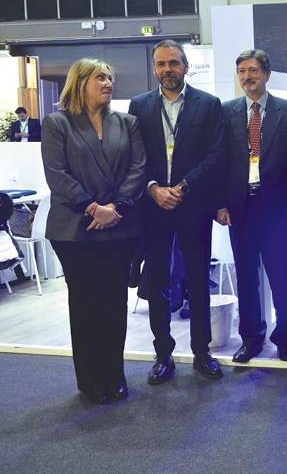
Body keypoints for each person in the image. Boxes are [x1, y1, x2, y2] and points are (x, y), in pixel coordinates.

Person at [42, 59, 146, 403]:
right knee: (86, 304)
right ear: (81, 82)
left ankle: (113, 375)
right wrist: (92, 208)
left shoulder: (127, 123)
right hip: (75, 231)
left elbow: (138, 168)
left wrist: (114, 208)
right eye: (100, 77)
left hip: (119, 227)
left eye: (110, 77)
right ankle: (90, 379)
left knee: (114, 303)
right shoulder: (58, 124)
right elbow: (57, 175)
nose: (108, 82)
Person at [129, 39, 227, 384]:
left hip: (193, 204)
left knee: (198, 280)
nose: (167, 70)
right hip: (153, 207)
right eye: (161, 64)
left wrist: (182, 187)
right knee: (157, 282)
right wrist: (154, 188)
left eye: (173, 63)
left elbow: (216, 155)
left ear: (186, 66)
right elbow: (133, 158)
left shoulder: (208, 104)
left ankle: (202, 352)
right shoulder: (139, 106)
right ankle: (163, 355)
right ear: (154, 68)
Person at [218, 49, 287, 363]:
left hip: (278, 210)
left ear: (266, 74)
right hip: (240, 209)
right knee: (246, 277)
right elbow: (221, 163)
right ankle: (251, 338)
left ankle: (285, 339)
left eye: (253, 70)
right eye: (242, 71)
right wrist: (220, 205)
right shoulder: (226, 112)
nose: (247, 77)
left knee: (281, 278)